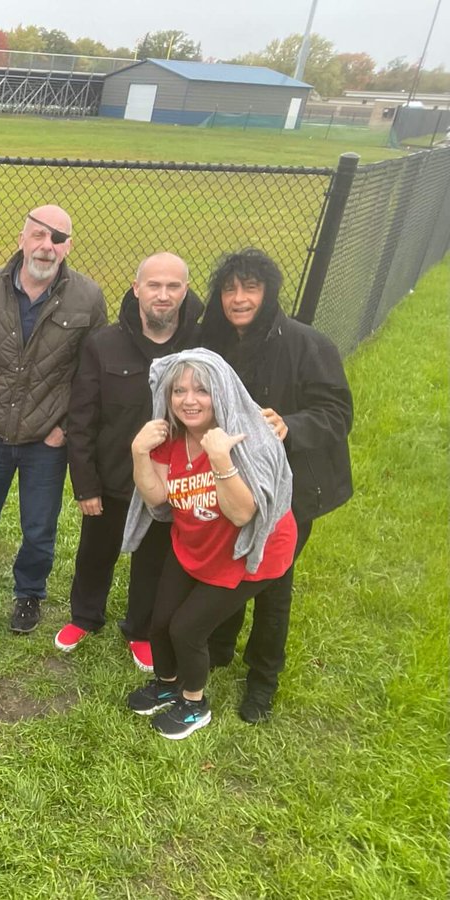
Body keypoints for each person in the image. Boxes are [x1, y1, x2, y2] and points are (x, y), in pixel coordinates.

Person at [201, 248, 353, 723]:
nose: (239, 298)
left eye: (250, 288)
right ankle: (220, 647)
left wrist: (289, 424)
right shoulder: (217, 341)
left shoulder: (307, 344)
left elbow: (337, 413)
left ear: (268, 293)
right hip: (233, 482)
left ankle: (262, 681)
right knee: (228, 565)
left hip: (291, 490)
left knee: (271, 582)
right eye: (229, 289)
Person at [124, 349, 297, 740]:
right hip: (197, 543)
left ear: (221, 391)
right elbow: (156, 498)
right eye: (179, 390)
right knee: (161, 619)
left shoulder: (246, 440)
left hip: (251, 552)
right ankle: (167, 683)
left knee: (186, 628)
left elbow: (242, 516)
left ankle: (193, 704)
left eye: (201, 390)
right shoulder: (174, 438)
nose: (189, 399)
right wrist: (138, 452)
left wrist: (221, 460)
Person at [0, 204, 106, 633]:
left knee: (39, 527)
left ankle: (29, 595)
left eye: (57, 238)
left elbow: (92, 374)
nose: (46, 246)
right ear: (21, 238)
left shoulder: (88, 298)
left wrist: (66, 430)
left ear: (68, 246)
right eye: (38, 235)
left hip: (46, 440)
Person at [58, 252, 202, 670]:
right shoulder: (103, 343)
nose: (163, 295)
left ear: (185, 290)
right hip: (112, 476)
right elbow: (81, 418)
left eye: (172, 286)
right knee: (96, 550)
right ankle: (85, 615)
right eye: (153, 285)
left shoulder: (200, 346)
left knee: (153, 561)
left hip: (170, 482)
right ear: (136, 288)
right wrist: (86, 485)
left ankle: (140, 630)